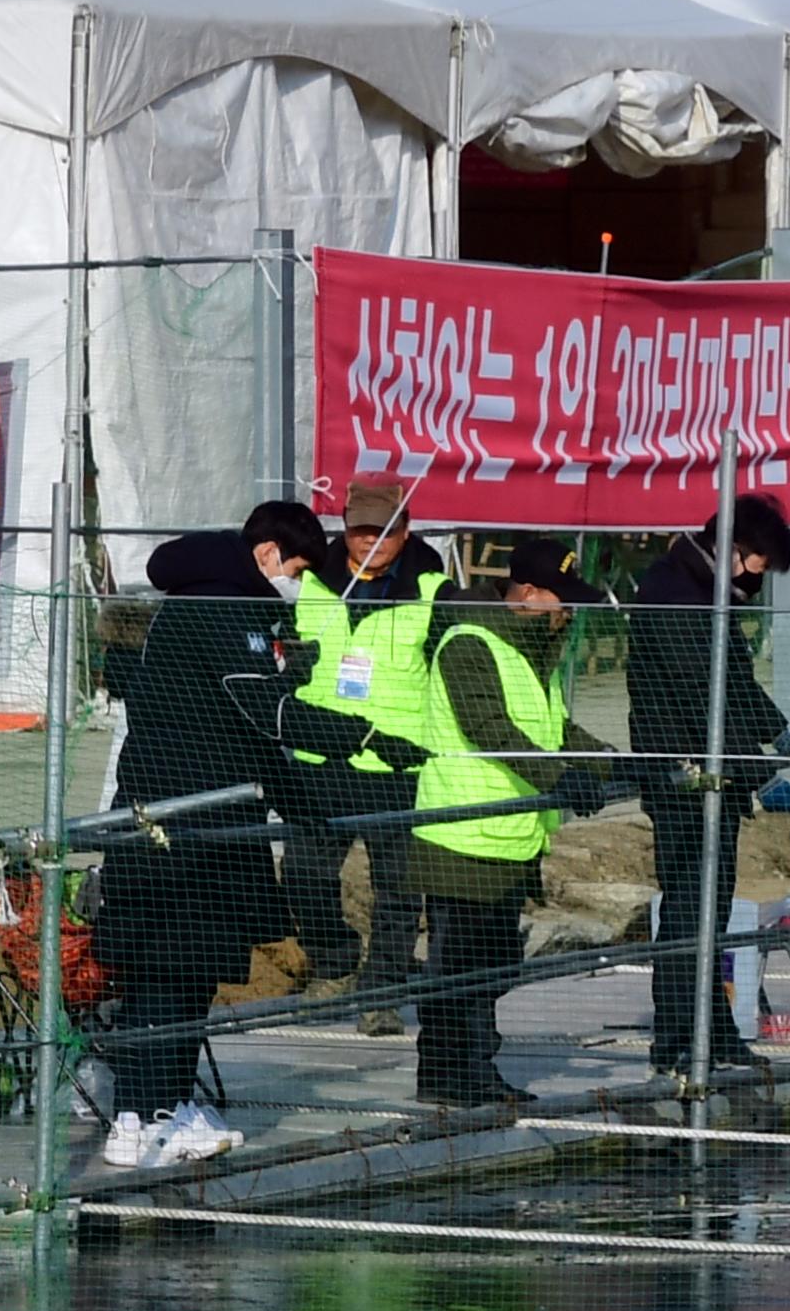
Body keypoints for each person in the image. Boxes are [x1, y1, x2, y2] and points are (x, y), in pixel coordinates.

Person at [87, 517, 307, 1151]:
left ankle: (159, 1110)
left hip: (178, 827)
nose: (293, 586)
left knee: (178, 978)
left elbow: (244, 728)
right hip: (187, 835)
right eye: (294, 571)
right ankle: (148, 1117)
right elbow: (260, 718)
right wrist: (350, 745)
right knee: (168, 977)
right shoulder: (218, 613)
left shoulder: (195, 613)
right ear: (268, 554)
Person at [399, 539, 620, 1109]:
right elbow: (489, 727)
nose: (568, 612)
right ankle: (452, 1073)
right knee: (461, 964)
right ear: (525, 594)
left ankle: (471, 1066)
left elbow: (552, 726)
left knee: (494, 959)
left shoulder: (526, 646)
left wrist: (610, 761)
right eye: (560, 599)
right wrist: (557, 779)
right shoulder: (470, 641)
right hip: (463, 834)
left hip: (510, 834)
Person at [628, 494, 790, 1080]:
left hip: (717, 779)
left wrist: (778, 732)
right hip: (682, 777)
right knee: (687, 913)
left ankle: (715, 1031)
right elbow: (703, 699)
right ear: (734, 551)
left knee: (713, 910)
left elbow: (735, 682)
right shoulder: (675, 594)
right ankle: (678, 1039)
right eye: (756, 569)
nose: (756, 584)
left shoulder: (710, 594)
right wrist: (762, 773)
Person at [275, 479, 445, 1032]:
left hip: (399, 762)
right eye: (359, 529)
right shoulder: (310, 582)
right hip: (323, 760)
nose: (370, 540)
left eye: (383, 530)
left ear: (406, 529)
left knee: (398, 888)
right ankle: (335, 961)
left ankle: (382, 993)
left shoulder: (432, 589)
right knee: (302, 873)